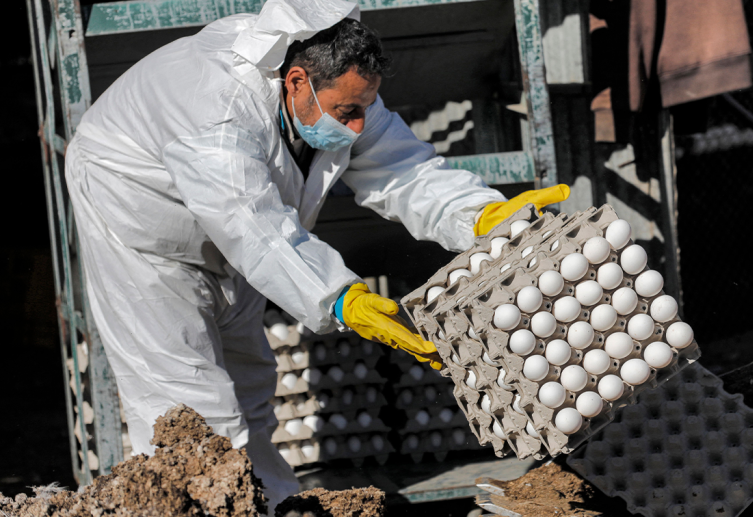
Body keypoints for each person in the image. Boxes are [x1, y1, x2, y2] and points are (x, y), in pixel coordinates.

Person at [64, 0, 567, 511]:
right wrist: (341, 297)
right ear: (297, 82)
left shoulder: (341, 93)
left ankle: (275, 503)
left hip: (231, 235)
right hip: (139, 222)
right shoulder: (219, 108)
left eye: (363, 110)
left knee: (251, 383)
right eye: (347, 112)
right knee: (188, 406)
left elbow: (403, 172)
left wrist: (480, 215)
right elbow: (251, 225)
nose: (355, 127)